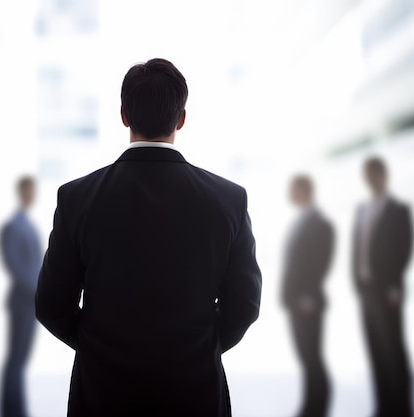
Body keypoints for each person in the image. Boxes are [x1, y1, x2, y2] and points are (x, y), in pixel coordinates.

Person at [35, 58, 262, 416]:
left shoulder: (77, 198)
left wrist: (99, 347)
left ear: (123, 115)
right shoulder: (228, 200)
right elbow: (245, 305)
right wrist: (199, 348)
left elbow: (50, 305)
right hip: (194, 392)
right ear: (181, 119)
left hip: (102, 394)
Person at [352, 157, 414, 417]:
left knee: (393, 350)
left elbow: (404, 249)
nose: (370, 179)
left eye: (373, 173)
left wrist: (394, 286)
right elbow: (357, 249)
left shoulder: (398, 209)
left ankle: (401, 407)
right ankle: (384, 406)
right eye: (366, 174)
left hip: (387, 291)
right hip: (366, 289)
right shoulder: (362, 209)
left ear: (382, 175)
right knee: (375, 349)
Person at [282, 176, 334, 417]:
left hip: (308, 303)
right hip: (295, 302)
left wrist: (308, 296)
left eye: (293, 189)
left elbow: (320, 264)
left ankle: (318, 409)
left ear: (303, 191)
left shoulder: (321, 223)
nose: (289, 193)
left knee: (313, 358)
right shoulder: (300, 221)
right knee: (306, 358)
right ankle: (310, 407)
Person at [0, 176, 43, 417]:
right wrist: (37, 289)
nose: (31, 195)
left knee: (20, 359)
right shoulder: (13, 226)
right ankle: (11, 410)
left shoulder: (27, 223)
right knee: (15, 358)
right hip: (21, 301)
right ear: (20, 192)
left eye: (33, 191)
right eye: (28, 190)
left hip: (29, 301)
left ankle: (16, 408)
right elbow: (14, 265)